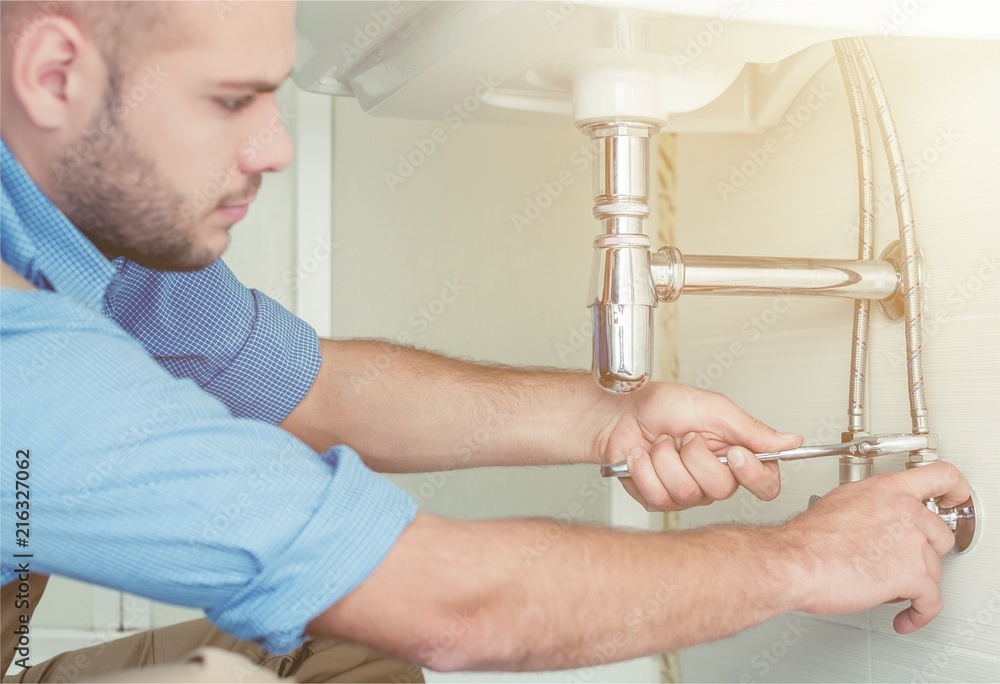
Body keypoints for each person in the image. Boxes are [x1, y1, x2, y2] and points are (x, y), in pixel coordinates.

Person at [0, 2, 970, 682]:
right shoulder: (20, 367)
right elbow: (450, 608)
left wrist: (608, 420)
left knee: (344, 652)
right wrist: (803, 558)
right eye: (228, 100)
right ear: (53, 76)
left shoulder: (90, 241)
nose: (275, 148)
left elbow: (310, 387)